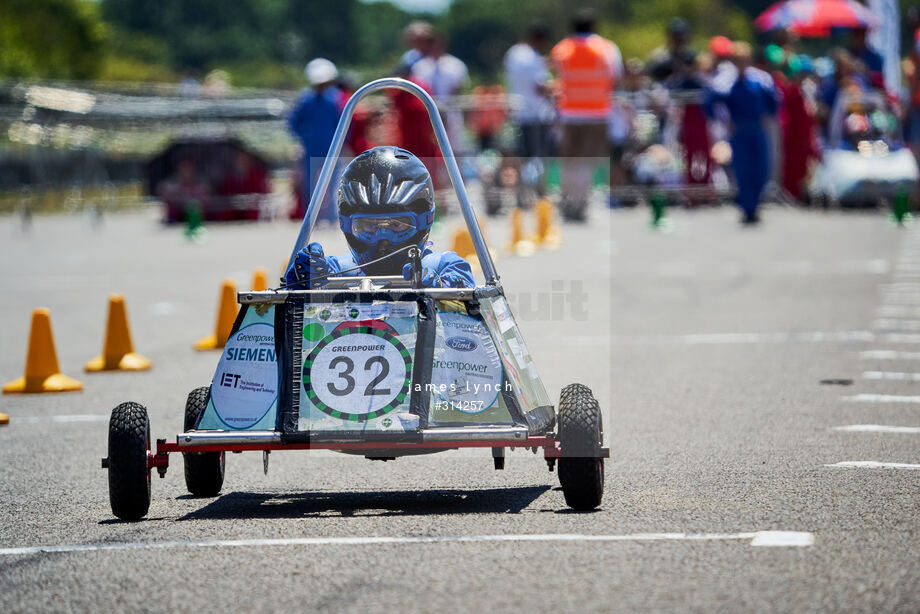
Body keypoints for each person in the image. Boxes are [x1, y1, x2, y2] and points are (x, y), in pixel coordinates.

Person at [284, 146, 474, 289]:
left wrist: (440, 287)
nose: (384, 238)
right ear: (347, 224)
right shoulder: (335, 271)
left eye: (397, 226)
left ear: (426, 219)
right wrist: (301, 281)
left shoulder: (447, 267)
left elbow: (467, 296)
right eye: (369, 226)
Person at [550, 8, 622, 221]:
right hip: (597, 112)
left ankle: (568, 201)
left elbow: (556, 75)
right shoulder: (606, 48)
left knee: (570, 160)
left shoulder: (562, 49)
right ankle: (580, 203)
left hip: (569, 113)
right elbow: (616, 77)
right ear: (594, 27)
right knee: (587, 161)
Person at [704, 42, 778, 225]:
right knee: (743, 171)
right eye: (738, 60)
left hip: (758, 130)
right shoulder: (726, 81)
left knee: (762, 169)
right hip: (739, 131)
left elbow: (774, 101)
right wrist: (723, 121)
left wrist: (769, 117)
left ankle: (756, 203)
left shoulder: (761, 79)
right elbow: (709, 102)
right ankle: (748, 208)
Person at [287, 58, 345, 223]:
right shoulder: (305, 100)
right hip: (312, 149)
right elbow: (293, 123)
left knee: (334, 185)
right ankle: (312, 219)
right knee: (311, 186)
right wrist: (305, 138)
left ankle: (334, 219)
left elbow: (344, 123)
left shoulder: (335, 99)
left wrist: (342, 143)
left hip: (332, 149)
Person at [411, 34, 470, 155]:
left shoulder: (456, 65)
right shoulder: (420, 67)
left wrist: (446, 108)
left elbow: (460, 88)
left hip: (451, 112)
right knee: (431, 149)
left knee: (454, 149)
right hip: (428, 113)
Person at [504, 23, 554, 161]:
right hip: (535, 114)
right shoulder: (532, 57)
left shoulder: (513, 52)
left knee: (523, 156)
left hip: (518, 111)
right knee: (538, 157)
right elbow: (540, 87)